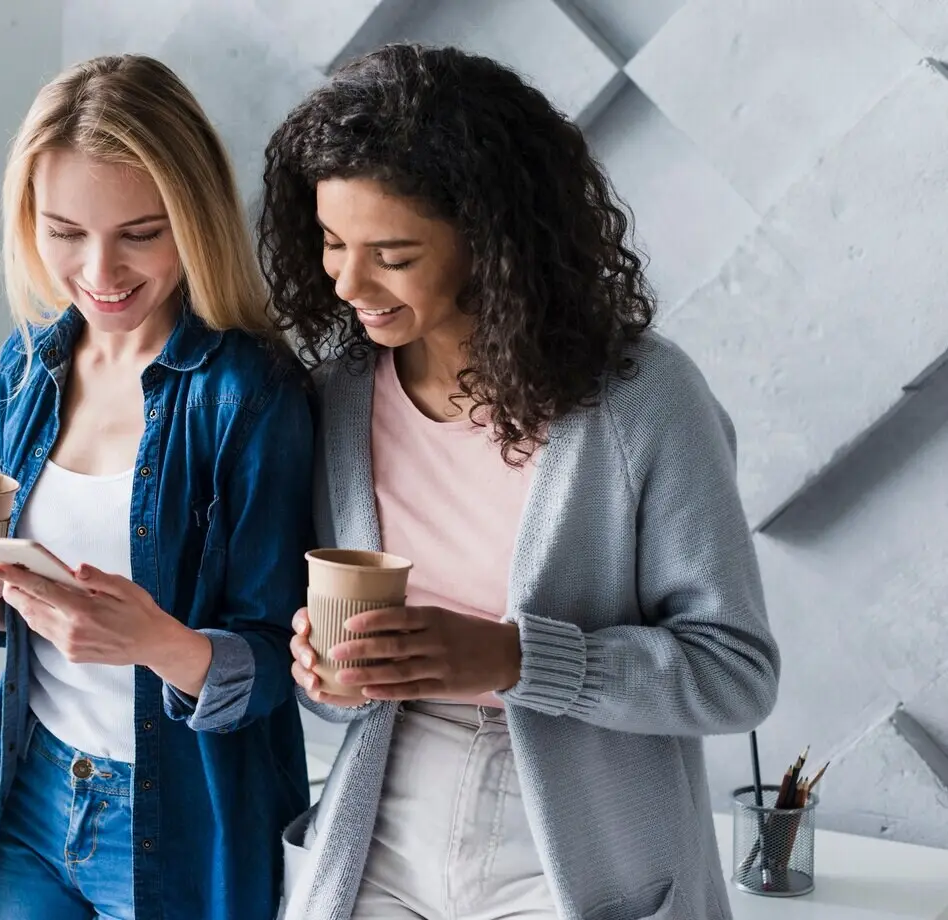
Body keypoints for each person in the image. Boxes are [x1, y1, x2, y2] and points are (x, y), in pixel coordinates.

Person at [260, 43, 781, 920]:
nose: (346, 282)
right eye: (331, 242)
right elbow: (336, 689)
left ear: (491, 244)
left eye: (391, 253)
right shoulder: (344, 396)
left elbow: (736, 674)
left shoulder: (641, 401)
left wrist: (515, 658)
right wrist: (331, 673)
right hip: (385, 820)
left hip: (582, 849)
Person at [0, 54, 313, 920]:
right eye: (64, 231)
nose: (100, 270)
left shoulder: (250, 393)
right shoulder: (29, 364)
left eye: (141, 232)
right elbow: (41, 618)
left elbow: (285, 661)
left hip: (182, 823)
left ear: (194, 219)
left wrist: (155, 641)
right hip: (30, 789)